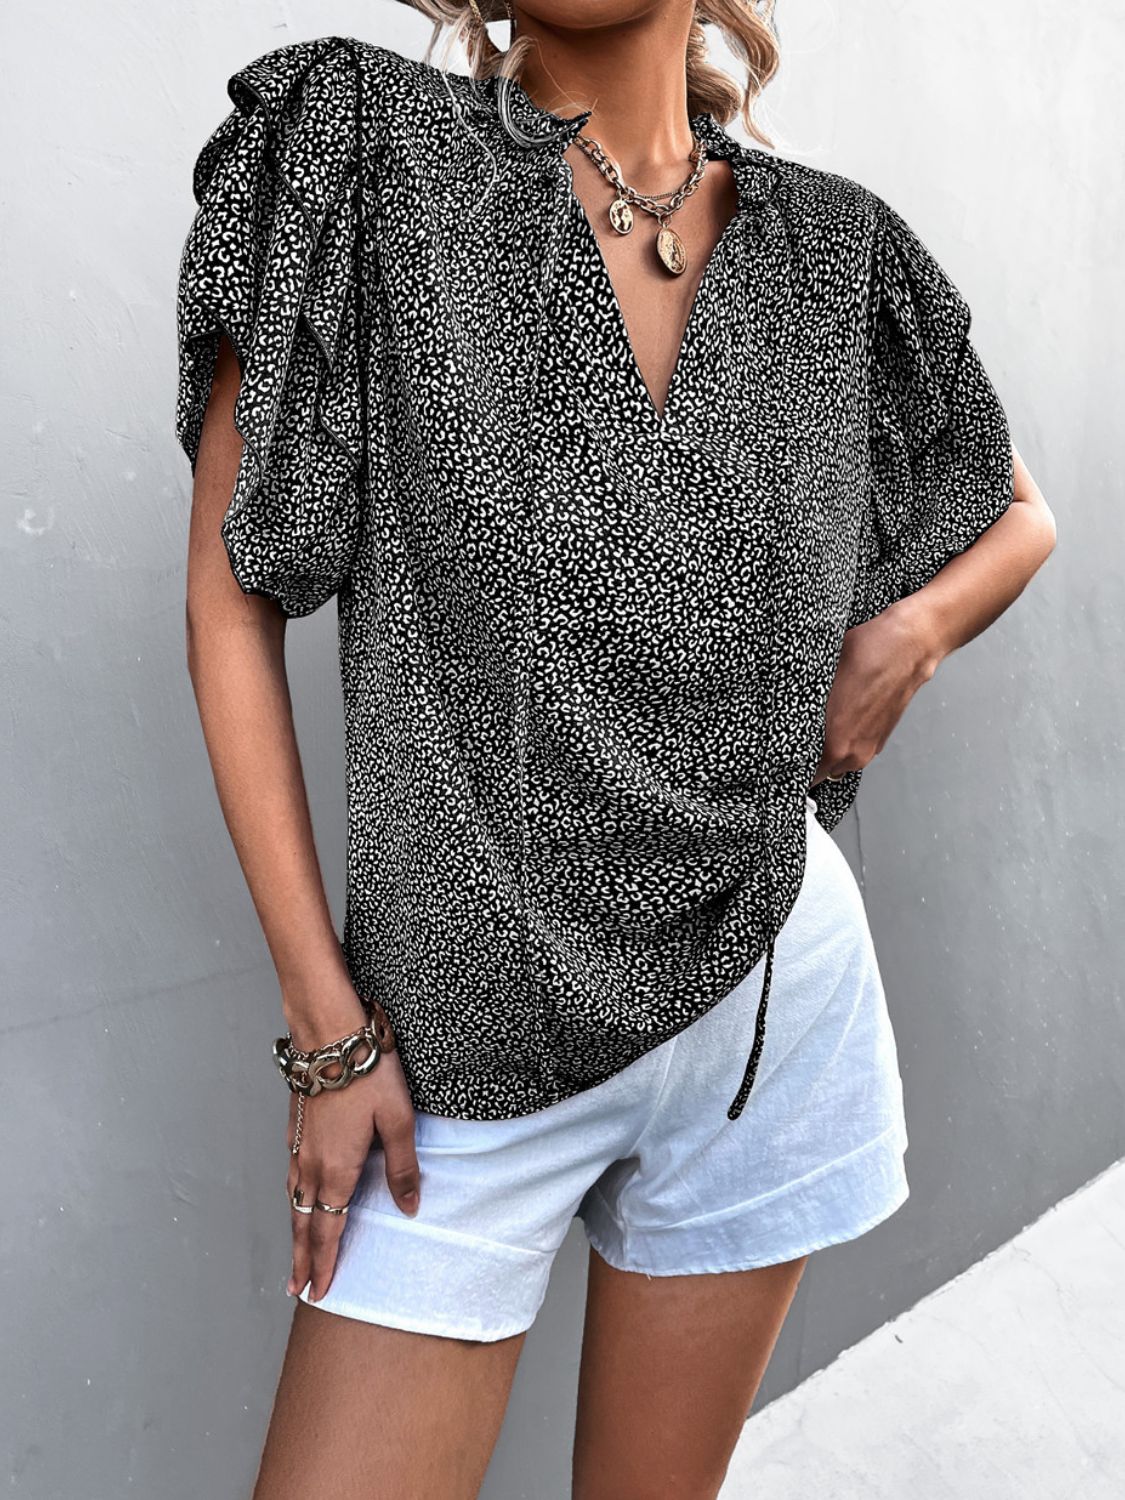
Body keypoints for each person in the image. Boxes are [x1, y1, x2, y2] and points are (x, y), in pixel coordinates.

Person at [176, 2, 1056, 1495]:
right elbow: (227, 605)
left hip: (766, 1000)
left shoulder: (835, 248)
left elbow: (1017, 512)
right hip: (448, 1053)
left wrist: (907, 635)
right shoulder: (365, 159)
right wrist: (326, 1031)